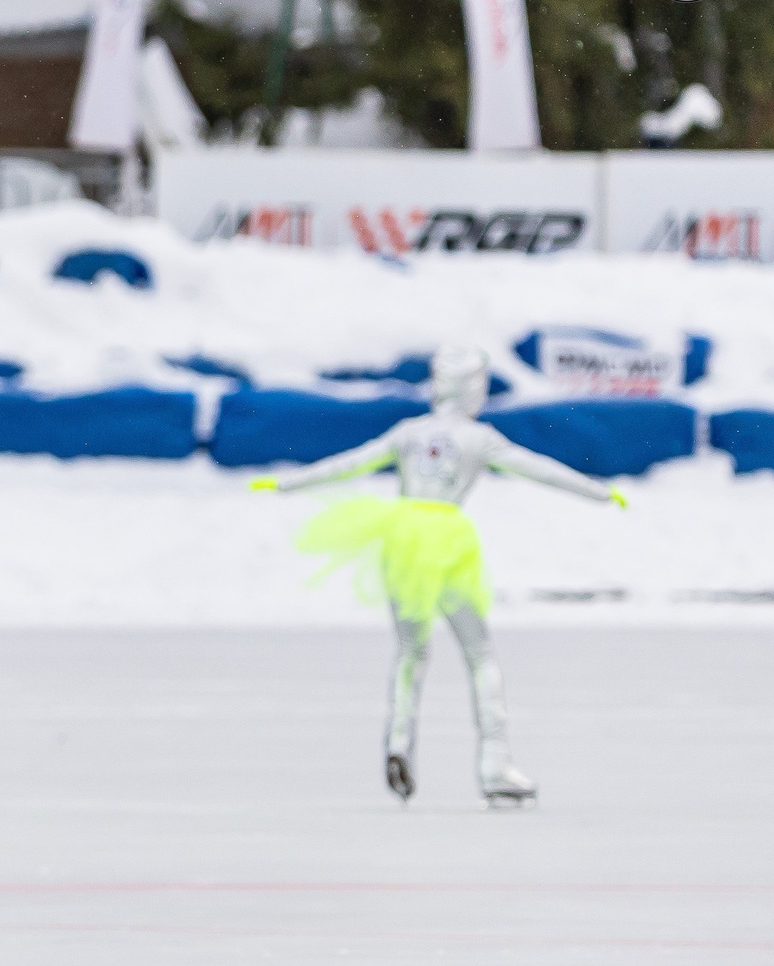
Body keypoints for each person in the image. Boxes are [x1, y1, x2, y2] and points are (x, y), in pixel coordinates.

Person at [253, 344, 628, 806]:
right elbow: (540, 470)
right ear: (473, 387)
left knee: (411, 652)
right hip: (448, 539)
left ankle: (397, 743)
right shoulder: (480, 438)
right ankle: (495, 764)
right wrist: (599, 492)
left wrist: (286, 483)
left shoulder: (408, 434)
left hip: (403, 537)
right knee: (479, 653)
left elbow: (350, 462)